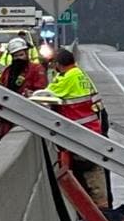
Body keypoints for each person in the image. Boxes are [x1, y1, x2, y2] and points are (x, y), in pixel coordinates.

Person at [45, 48, 109, 208]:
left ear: (58, 64)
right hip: (93, 127)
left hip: (82, 130)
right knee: (93, 169)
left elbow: (47, 95)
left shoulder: (68, 78)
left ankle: (99, 208)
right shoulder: (79, 73)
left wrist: (29, 95)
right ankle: (102, 206)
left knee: (88, 169)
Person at [0, 37, 47, 136]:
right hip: (8, 114)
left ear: (26, 54)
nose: (19, 58)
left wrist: (30, 94)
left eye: (21, 55)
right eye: (16, 56)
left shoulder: (36, 69)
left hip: (28, 116)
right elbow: (0, 89)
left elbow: (41, 91)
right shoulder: (8, 71)